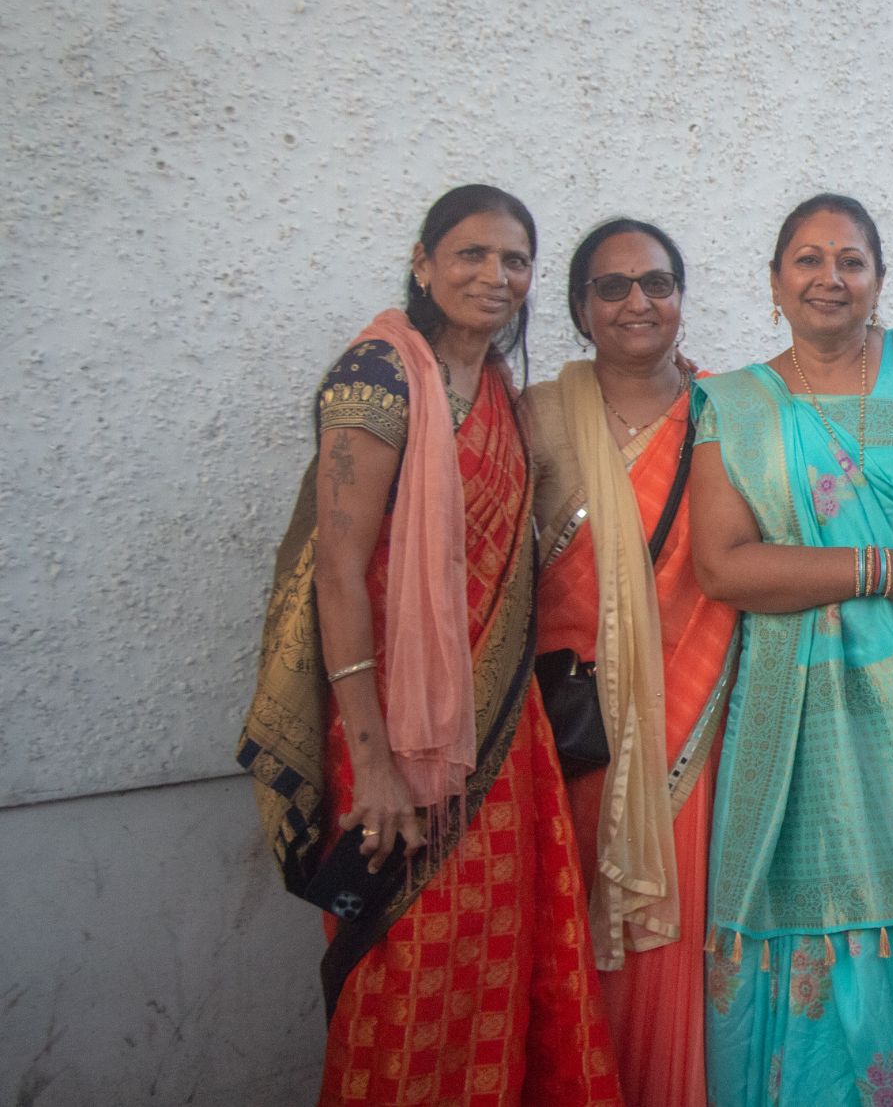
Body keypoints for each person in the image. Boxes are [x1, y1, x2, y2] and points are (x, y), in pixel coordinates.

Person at [240, 184, 623, 1106]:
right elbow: (339, 575)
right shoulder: (378, 375)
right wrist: (371, 763)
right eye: (471, 255)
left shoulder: (495, 389)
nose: (495, 276)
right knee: (408, 972)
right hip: (392, 737)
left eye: (514, 261)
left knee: (501, 959)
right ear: (423, 263)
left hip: (502, 737)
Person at [689, 194, 893, 1107]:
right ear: (775, 281)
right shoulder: (736, 401)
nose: (831, 278)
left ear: (881, 280)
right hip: (801, 711)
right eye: (808, 260)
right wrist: (877, 566)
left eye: (852, 260)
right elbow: (724, 564)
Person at [526, 218, 740, 1107]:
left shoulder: (733, 410)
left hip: (704, 721)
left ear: (682, 299)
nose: (637, 301)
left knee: (687, 944)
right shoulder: (537, 417)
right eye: (611, 286)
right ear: (581, 308)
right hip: (577, 736)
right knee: (573, 938)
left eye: (656, 282)